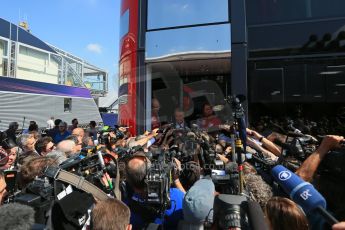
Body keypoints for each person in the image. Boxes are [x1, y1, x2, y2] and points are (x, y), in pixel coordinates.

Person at [124, 153, 184, 229]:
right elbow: (192, 205)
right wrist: (176, 180)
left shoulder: (125, 210)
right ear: (153, 174)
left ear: (129, 181)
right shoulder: (176, 195)